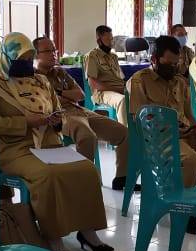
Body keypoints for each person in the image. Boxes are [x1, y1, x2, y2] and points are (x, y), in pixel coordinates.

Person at [0, 33, 110, 251]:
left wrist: (57, 121)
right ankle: (53, 237)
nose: (26, 64)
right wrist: (26, 123)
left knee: (86, 169)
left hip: (49, 144)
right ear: (7, 58)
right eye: (21, 59)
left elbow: (57, 109)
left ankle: (87, 231)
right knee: (47, 175)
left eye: (30, 59)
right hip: (14, 149)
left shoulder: (41, 80)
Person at [129, 35, 196, 233]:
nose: (174, 67)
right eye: (169, 63)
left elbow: (188, 115)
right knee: (192, 161)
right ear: (155, 59)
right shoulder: (139, 81)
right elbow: (140, 118)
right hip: (159, 139)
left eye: (176, 63)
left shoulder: (179, 82)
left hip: (187, 134)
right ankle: (182, 211)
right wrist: (175, 128)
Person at [34, 35, 129, 190]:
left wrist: (59, 93)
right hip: (59, 115)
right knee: (87, 136)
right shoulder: (33, 77)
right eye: (47, 51)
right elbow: (47, 102)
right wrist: (65, 95)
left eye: (54, 50)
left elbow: (80, 95)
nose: (53, 54)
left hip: (79, 110)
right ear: (35, 55)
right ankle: (86, 184)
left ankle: (121, 178)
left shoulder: (60, 73)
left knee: (124, 133)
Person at [84, 25, 128, 125]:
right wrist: (118, 89)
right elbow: (93, 83)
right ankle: (125, 135)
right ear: (99, 41)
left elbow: (121, 78)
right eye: (108, 39)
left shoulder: (113, 56)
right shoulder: (92, 56)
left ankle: (140, 132)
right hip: (102, 93)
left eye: (112, 39)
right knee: (122, 100)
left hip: (119, 89)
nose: (111, 42)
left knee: (141, 95)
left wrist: (127, 87)